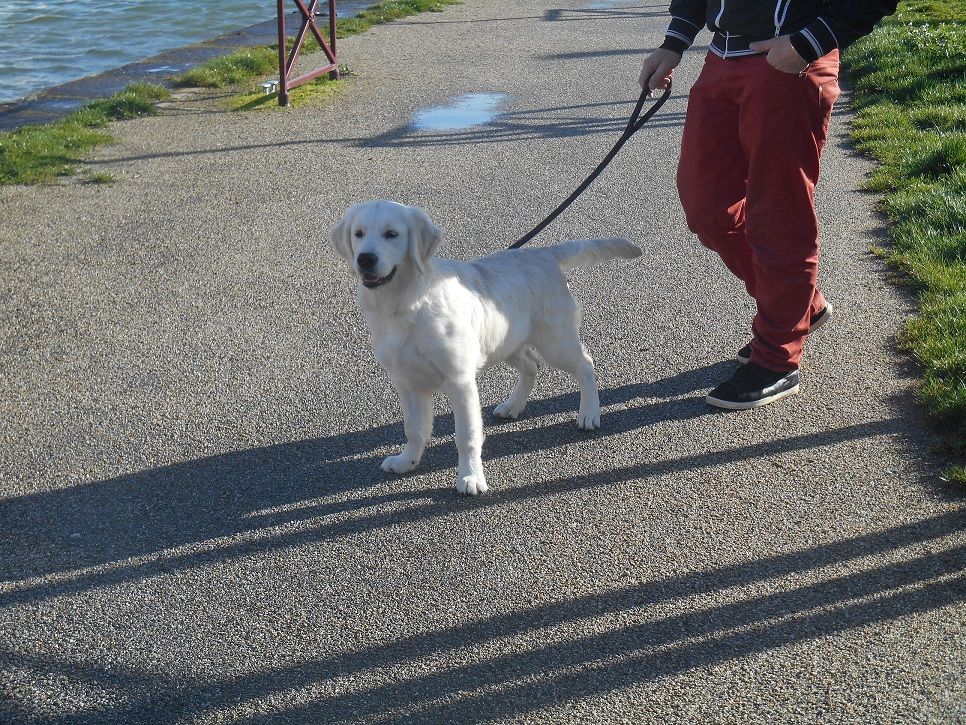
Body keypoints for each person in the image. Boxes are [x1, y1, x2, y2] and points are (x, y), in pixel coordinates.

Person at [640, 0, 897, 410]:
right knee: (707, 208)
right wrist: (674, 42)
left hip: (791, 61)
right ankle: (801, 307)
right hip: (721, 58)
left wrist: (811, 41)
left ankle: (778, 359)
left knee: (777, 218)